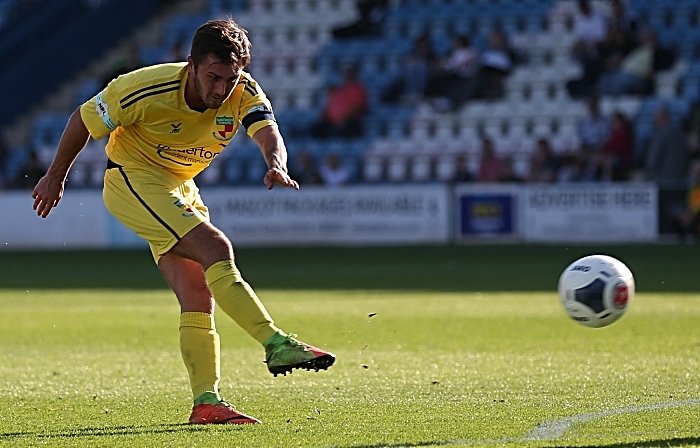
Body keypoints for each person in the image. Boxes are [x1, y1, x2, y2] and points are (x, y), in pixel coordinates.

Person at [32, 19, 335, 426]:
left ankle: (206, 402)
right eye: (213, 77)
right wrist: (55, 176)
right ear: (191, 65)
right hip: (132, 178)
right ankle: (275, 342)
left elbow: (267, 130)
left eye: (230, 79)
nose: (221, 89)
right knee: (216, 248)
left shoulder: (242, 88)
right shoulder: (144, 87)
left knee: (198, 292)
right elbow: (83, 120)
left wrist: (275, 162)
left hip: (179, 185)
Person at [310, 65, 368, 139]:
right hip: (332, 122)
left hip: (349, 123)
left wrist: (344, 119)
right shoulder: (338, 90)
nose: (347, 75)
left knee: (349, 130)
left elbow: (358, 108)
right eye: (346, 73)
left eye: (350, 73)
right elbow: (328, 107)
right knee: (315, 129)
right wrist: (325, 116)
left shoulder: (358, 90)